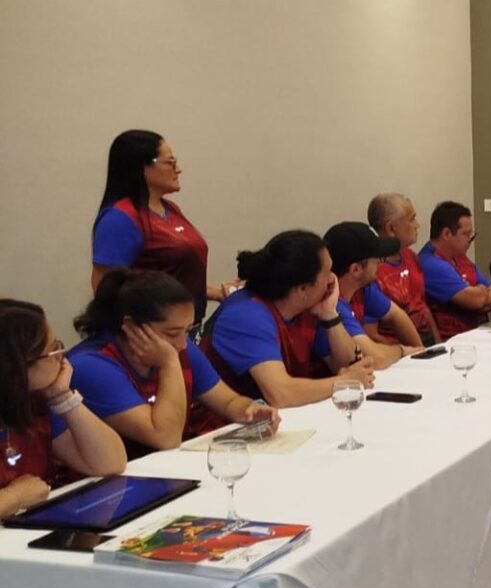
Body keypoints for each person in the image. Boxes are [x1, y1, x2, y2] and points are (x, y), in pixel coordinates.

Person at [68, 270, 282, 457]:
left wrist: (250, 410)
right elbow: (166, 437)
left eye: (187, 331)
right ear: (131, 326)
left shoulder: (178, 346)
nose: (182, 343)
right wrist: (169, 363)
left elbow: (227, 401)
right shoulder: (92, 365)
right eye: (171, 333)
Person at [204, 230, 376, 407]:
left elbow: (351, 366)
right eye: (327, 273)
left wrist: (330, 315)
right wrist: (343, 381)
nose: (332, 279)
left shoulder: (310, 307)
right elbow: (281, 394)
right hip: (222, 421)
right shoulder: (246, 315)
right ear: (302, 289)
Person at [91, 129, 240, 325]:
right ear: (144, 168)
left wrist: (218, 291)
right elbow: (104, 287)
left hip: (185, 326)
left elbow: (171, 277)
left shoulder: (171, 209)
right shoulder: (120, 218)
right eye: (170, 162)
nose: (178, 169)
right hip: (151, 330)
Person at [0, 300, 126, 518]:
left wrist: (63, 397)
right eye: (52, 350)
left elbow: (110, 463)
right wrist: (14, 497)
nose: (62, 355)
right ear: (17, 366)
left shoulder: (34, 403)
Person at [323, 221, 422, 366]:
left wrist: (421, 352)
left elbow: (396, 316)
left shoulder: (363, 288)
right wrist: (402, 351)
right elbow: (375, 358)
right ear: (355, 269)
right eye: (377, 259)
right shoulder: (330, 305)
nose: (381, 264)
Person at [420, 201, 491, 339]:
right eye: (466, 234)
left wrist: (477, 295)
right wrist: (480, 291)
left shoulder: (460, 257)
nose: (470, 240)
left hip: (476, 334)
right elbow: (474, 301)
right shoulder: (430, 263)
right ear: (446, 234)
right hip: (452, 341)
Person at [368, 193, 440, 345]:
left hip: (426, 342)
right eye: (411, 219)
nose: (417, 225)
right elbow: (371, 335)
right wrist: (407, 351)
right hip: (399, 348)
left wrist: (438, 344)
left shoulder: (411, 256)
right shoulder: (371, 271)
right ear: (391, 228)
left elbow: (422, 307)